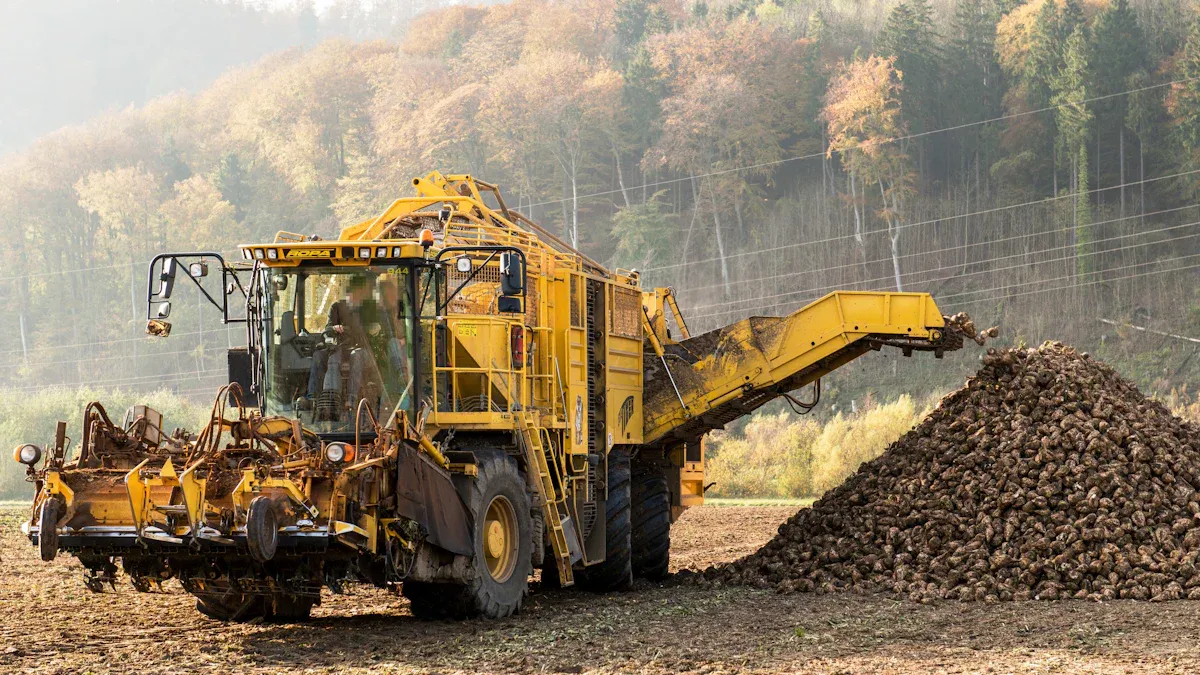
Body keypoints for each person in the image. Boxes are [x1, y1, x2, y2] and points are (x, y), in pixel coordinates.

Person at [307, 275, 375, 406]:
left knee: (356, 355)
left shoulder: (366, 310)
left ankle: (351, 399)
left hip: (360, 350)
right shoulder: (336, 307)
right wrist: (334, 327)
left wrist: (349, 329)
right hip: (338, 348)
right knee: (319, 355)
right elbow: (328, 328)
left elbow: (368, 331)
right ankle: (313, 397)